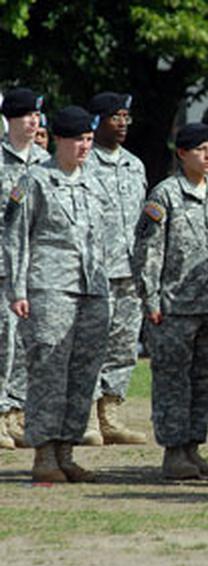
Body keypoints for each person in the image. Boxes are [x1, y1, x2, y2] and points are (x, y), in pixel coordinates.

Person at [5, 105, 109, 482]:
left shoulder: (95, 181)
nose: (85, 146)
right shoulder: (34, 181)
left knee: (83, 374)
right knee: (49, 370)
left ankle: (67, 450)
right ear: (59, 141)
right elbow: (16, 239)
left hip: (92, 289)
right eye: (78, 139)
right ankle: (44, 454)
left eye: (89, 139)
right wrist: (17, 289)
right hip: (49, 287)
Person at [132, 123, 208, 480]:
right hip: (173, 305)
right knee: (173, 380)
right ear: (182, 153)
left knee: (206, 379)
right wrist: (150, 298)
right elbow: (147, 251)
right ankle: (173, 452)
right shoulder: (165, 195)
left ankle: (193, 448)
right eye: (201, 149)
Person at [84, 91, 148, 446]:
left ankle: (111, 414)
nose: (122, 123)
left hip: (130, 270)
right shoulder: (83, 163)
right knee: (92, 344)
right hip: (95, 271)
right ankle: (88, 417)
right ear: (97, 121)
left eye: (126, 116)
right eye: (115, 117)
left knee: (124, 346)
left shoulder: (135, 165)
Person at [0, 87, 50, 450]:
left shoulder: (44, 160)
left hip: (36, 268)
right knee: (3, 344)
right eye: (26, 116)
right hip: (3, 266)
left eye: (36, 116)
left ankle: (15, 413)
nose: (33, 122)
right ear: (11, 120)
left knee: (24, 344)